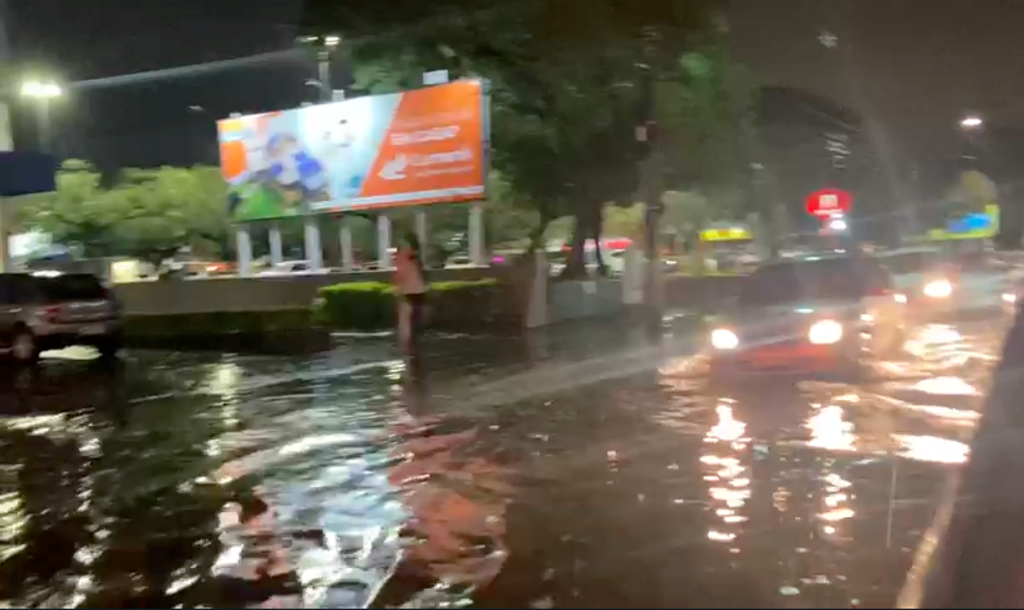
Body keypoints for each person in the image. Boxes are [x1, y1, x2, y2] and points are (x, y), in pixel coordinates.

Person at [394, 231, 427, 356]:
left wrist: (398, 289)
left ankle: (408, 349)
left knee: (407, 322)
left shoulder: (403, 256)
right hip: (416, 290)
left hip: (410, 291)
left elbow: (400, 274)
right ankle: (412, 348)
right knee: (413, 321)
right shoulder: (414, 257)